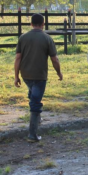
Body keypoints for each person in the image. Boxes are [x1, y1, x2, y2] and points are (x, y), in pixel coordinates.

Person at [14, 13, 63, 142]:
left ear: (31, 24)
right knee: (35, 103)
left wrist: (16, 76)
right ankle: (32, 134)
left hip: (25, 74)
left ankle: (37, 119)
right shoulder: (47, 38)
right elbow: (54, 59)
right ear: (43, 24)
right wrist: (59, 72)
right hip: (40, 75)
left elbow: (17, 58)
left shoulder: (23, 38)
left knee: (33, 94)